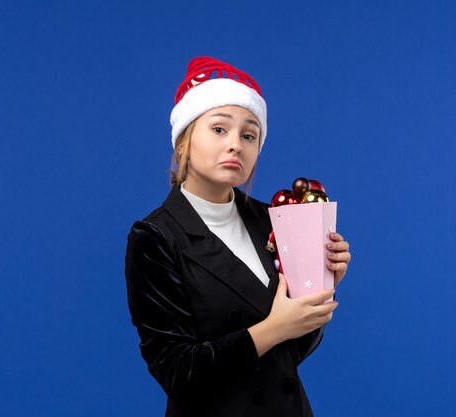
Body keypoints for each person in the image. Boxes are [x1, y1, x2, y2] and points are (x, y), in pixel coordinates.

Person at [124, 57, 352, 417]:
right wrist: (274, 328)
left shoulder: (271, 219)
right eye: (219, 129)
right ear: (183, 142)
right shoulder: (155, 237)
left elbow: (289, 355)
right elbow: (177, 372)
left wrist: (323, 286)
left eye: (249, 135)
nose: (236, 145)